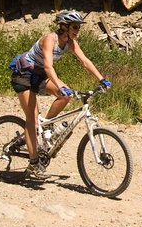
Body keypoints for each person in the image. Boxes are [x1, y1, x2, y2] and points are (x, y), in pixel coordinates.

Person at [9, 10, 111, 179]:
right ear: (64, 26)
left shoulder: (70, 42)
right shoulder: (50, 39)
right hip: (24, 75)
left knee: (67, 96)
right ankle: (34, 164)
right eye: (75, 27)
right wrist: (59, 85)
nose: (78, 31)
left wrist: (102, 79)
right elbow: (49, 67)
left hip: (39, 75)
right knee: (32, 120)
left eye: (79, 28)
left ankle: (47, 124)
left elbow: (85, 61)